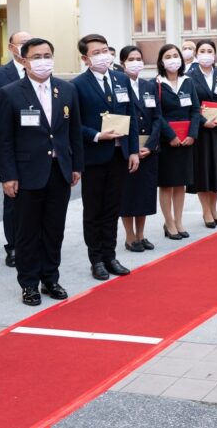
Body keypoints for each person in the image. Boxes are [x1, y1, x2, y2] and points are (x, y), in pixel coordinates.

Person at [0, 38, 83, 306]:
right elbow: (4, 140)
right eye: (36, 56)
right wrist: (7, 175)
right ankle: (29, 283)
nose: (43, 60)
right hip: (26, 173)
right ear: (24, 61)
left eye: (47, 55)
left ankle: (50, 278)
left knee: (54, 229)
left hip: (59, 171)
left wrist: (76, 165)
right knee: (27, 231)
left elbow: (73, 132)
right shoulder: (10, 93)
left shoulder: (66, 90)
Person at [72, 33, 139, 281]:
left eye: (105, 50)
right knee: (94, 210)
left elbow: (130, 115)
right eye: (96, 52)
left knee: (113, 207)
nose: (103, 56)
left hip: (119, 154)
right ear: (85, 58)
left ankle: (110, 255)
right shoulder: (77, 85)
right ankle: (96, 259)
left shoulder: (121, 79)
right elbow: (74, 124)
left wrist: (132, 150)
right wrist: (97, 135)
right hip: (94, 155)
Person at [0, 30, 32, 267]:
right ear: (12, 47)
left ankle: (35, 242)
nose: (27, 47)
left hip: (39, 146)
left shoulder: (40, 71)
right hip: (11, 144)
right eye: (23, 43)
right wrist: (12, 114)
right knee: (13, 197)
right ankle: (13, 246)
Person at [156, 44, 201, 239]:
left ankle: (179, 220)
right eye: (168, 56)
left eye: (176, 55)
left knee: (181, 184)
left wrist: (192, 134)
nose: (173, 59)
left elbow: (195, 110)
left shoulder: (188, 82)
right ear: (161, 61)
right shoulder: (156, 83)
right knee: (167, 184)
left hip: (186, 141)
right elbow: (156, 114)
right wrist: (171, 136)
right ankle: (169, 222)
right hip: (167, 141)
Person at [118, 46, 160, 252]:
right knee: (128, 193)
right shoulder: (118, 85)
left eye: (139, 58)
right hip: (127, 149)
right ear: (123, 62)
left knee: (145, 193)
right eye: (131, 59)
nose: (136, 62)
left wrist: (151, 145)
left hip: (148, 148)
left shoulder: (148, 85)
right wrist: (132, 148)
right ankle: (129, 236)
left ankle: (141, 235)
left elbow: (158, 117)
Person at [187, 40, 217, 228]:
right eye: (202, 51)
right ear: (196, 54)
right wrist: (204, 121)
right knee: (203, 170)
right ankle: (206, 211)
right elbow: (189, 106)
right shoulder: (189, 77)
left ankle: (214, 207)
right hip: (201, 131)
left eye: (209, 50)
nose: (206, 54)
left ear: (215, 54)